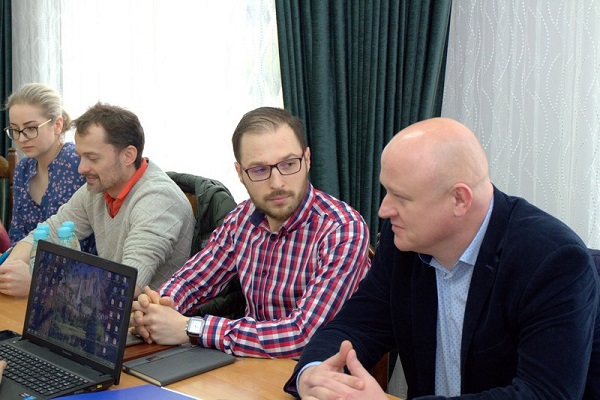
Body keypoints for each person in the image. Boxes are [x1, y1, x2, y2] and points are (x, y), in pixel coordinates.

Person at [285, 117, 600, 399]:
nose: (383, 210)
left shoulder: (552, 261)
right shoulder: (402, 241)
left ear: (459, 199)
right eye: (386, 191)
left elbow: (543, 393)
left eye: (401, 197)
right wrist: (314, 374)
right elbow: (356, 325)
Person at [130, 106, 371, 358]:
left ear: (308, 159)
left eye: (289, 164)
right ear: (240, 173)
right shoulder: (241, 219)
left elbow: (302, 335)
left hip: (318, 370)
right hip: (249, 364)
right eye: (259, 170)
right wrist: (156, 307)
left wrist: (191, 328)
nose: (277, 183)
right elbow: (193, 280)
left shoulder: (343, 229)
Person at [0, 102, 195, 298]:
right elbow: (50, 231)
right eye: (80, 157)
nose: (81, 168)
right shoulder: (98, 188)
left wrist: (40, 281)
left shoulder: (158, 200)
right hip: (102, 308)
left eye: (92, 158)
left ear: (128, 155)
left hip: (142, 313)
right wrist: (9, 268)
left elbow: (125, 285)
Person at [3, 83, 94, 252]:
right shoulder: (23, 169)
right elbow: (17, 234)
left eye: (31, 128)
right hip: (26, 261)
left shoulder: (77, 163)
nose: (21, 138)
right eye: (15, 130)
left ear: (57, 125)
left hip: (77, 265)